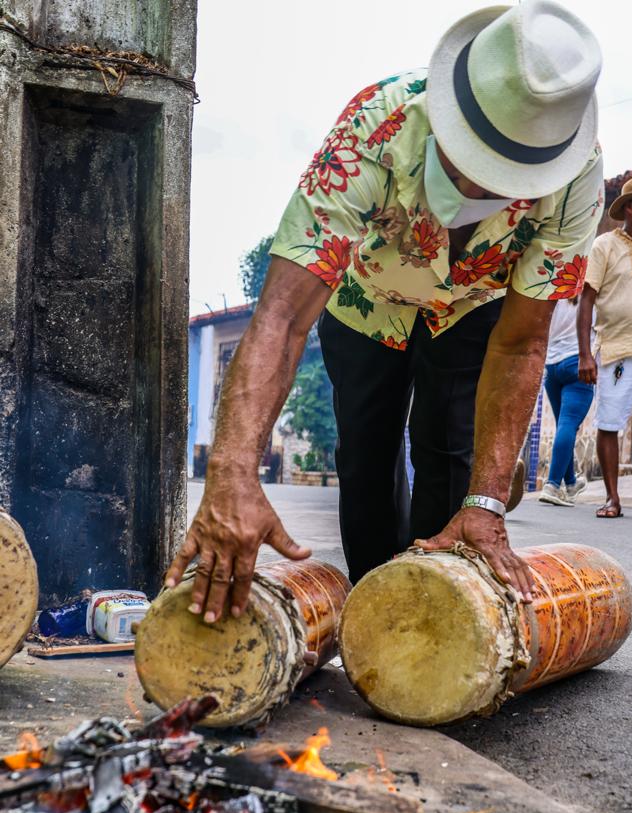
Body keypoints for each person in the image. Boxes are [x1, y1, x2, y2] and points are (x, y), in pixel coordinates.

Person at [167, 1, 604, 620]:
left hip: (473, 306)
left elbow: (522, 342)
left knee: (450, 457)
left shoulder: (577, 173)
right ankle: (374, 612)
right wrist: (232, 472)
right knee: (366, 457)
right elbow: (283, 318)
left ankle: (438, 612)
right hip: (365, 299)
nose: (477, 190)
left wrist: (486, 503)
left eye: (504, 176)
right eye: (472, 162)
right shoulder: (378, 124)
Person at [579, 177, 632, 518]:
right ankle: (613, 498)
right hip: (617, 350)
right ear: (629, 208)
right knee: (610, 421)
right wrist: (585, 354)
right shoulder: (604, 245)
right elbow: (587, 299)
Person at [539, 298, 594, 506]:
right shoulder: (588, 292)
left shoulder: (555, 290)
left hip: (552, 365)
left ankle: (570, 483)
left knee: (564, 426)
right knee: (568, 424)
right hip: (578, 362)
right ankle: (552, 485)